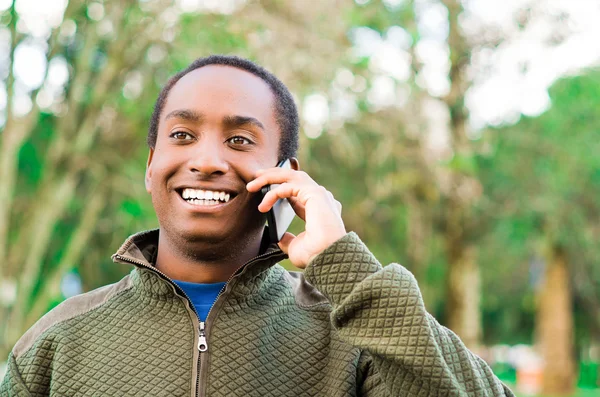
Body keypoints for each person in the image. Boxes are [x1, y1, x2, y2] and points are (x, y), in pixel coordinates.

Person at [0, 55, 514, 397]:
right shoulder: (60, 340)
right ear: (152, 162)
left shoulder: (353, 337)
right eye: (182, 134)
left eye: (241, 141)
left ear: (288, 176)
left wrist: (347, 270)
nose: (205, 159)